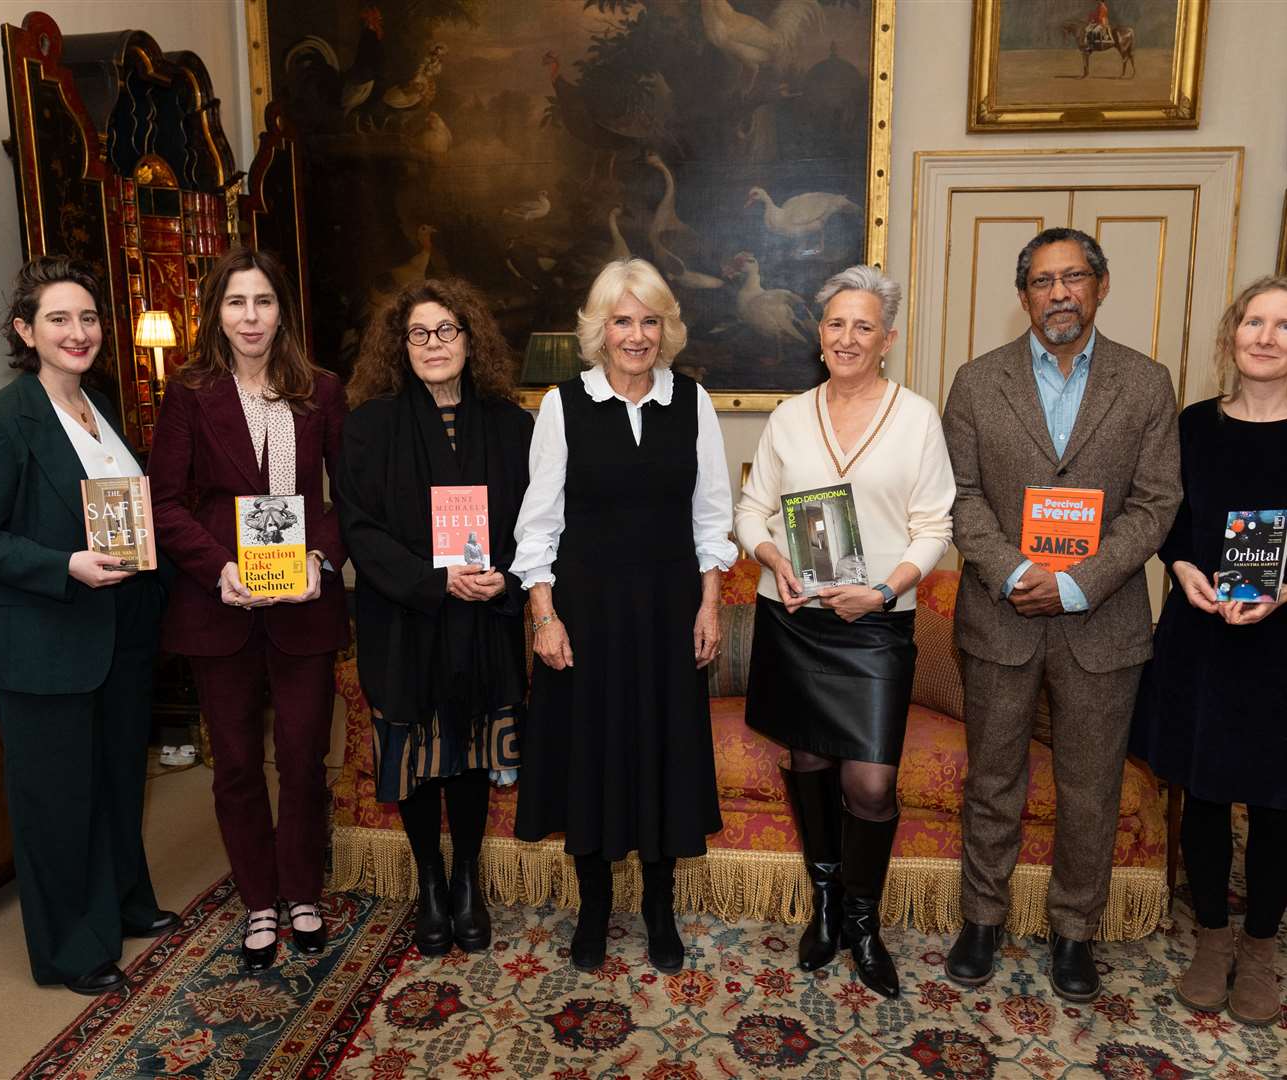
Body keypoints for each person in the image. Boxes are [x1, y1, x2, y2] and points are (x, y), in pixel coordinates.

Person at [1130, 275, 1287, 1026]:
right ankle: (1213, 938)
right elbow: (1168, 521)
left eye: (1286, 325)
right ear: (1232, 332)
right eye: (1254, 321)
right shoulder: (1195, 425)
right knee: (1204, 794)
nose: (1267, 336)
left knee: (1277, 802)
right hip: (1202, 632)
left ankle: (1262, 948)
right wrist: (1180, 568)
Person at [940, 227, 1180, 1001]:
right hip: (999, 618)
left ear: (1101, 286)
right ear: (1024, 296)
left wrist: (1077, 581)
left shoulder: (1146, 384)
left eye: (1074, 277)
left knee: (1091, 787)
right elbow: (962, 497)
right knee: (994, 780)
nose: (1060, 293)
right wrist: (1015, 570)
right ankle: (983, 919)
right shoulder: (977, 382)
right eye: (1043, 281)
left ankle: (1075, 932)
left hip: (1101, 623)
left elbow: (1156, 505)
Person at [0, 255, 178, 995]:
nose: (77, 332)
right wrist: (64, 564)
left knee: (115, 781)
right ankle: (70, 950)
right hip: (44, 640)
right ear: (26, 330)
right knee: (56, 801)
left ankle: (124, 905)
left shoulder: (100, 406)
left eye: (86, 318)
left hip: (115, 633)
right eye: (58, 319)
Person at [734, 265, 955, 999]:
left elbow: (934, 527)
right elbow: (750, 510)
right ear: (819, 334)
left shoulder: (918, 418)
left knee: (870, 779)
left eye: (864, 326)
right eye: (836, 324)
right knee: (808, 762)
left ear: (888, 339)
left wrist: (887, 589)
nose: (848, 337)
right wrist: (771, 557)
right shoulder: (791, 417)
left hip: (874, 623)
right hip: (795, 616)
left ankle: (864, 920)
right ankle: (825, 906)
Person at [512, 258, 737, 974]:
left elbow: (712, 519)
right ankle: (595, 909)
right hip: (586, 612)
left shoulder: (693, 402)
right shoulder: (562, 404)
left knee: (665, 752)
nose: (635, 335)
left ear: (665, 328)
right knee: (590, 752)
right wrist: (543, 615)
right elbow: (538, 523)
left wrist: (710, 605)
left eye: (648, 320)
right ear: (599, 330)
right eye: (621, 320)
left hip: (670, 611)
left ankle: (659, 910)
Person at [148, 245, 349, 972]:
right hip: (219, 605)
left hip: (303, 607)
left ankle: (302, 893)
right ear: (217, 314)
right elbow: (164, 502)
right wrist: (219, 569)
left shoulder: (321, 391)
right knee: (234, 764)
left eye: (263, 301)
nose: (251, 316)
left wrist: (321, 563)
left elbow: (340, 496)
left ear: (281, 311)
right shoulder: (190, 392)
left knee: (301, 758)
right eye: (237, 302)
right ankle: (259, 901)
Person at [336, 278, 534, 957]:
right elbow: (359, 528)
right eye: (418, 333)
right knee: (419, 756)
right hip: (406, 618)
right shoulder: (369, 424)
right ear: (400, 344)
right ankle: (429, 883)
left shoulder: (513, 424)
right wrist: (432, 580)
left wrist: (502, 572)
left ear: (470, 338)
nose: (433, 345)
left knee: (473, 752)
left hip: (485, 615)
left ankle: (468, 881)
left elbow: (535, 519)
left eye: (446, 330)